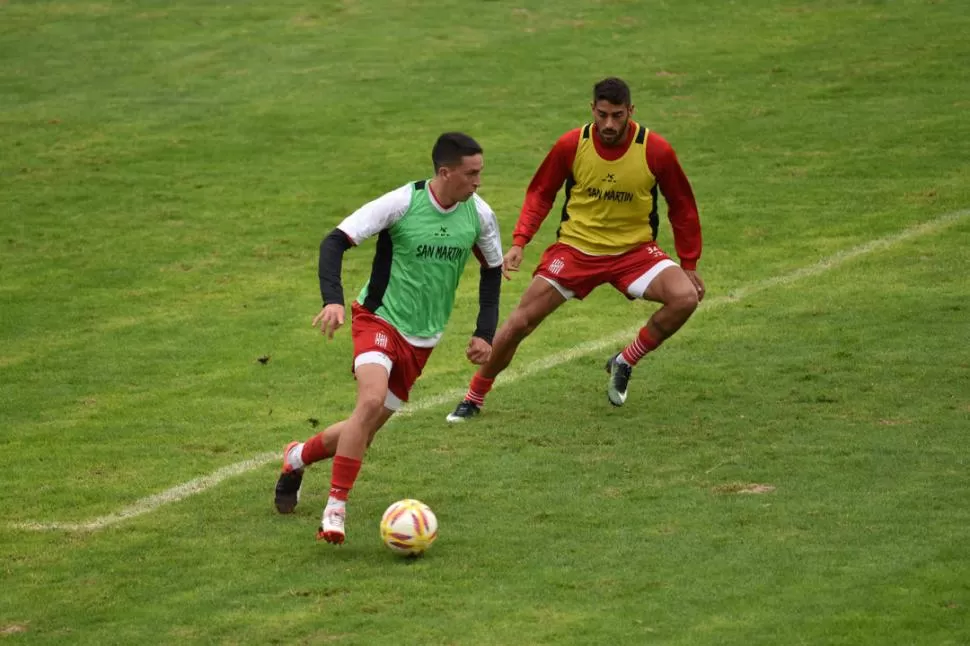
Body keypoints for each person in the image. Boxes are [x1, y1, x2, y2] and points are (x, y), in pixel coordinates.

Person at [275, 132, 504, 544]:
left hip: (423, 339)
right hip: (378, 319)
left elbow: (492, 269)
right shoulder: (402, 203)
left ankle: (296, 457)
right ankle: (335, 509)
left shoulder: (479, 214)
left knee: (363, 427)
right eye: (471, 174)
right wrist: (334, 301)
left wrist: (484, 332)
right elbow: (334, 241)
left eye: (480, 173)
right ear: (445, 172)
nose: (478, 182)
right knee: (370, 400)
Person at [446, 77, 704, 421]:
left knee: (686, 297)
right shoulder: (572, 144)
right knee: (519, 322)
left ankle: (625, 359)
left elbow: (682, 206)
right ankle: (474, 397)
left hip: (634, 253)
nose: (609, 124)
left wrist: (689, 263)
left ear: (631, 111)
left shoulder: (655, 150)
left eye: (617, 115)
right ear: (592, 110)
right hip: (575, 251)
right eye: (602, 115)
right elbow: (541, 192)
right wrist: (520, 241)